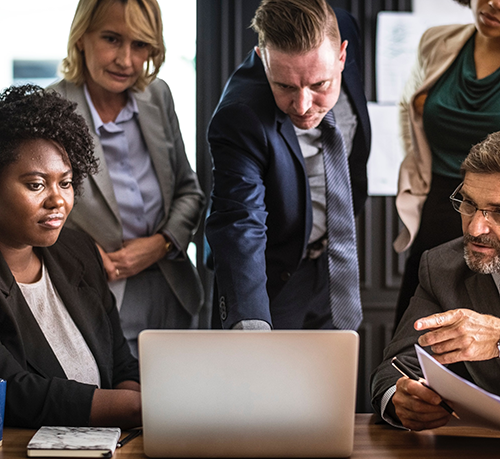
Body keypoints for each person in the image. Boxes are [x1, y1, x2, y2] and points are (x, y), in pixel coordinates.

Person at [49, 0, 205, 356]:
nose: (127, 60)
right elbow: (30, 214)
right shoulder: (52, 107)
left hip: (174, 292)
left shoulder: (158, 94)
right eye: (111, 39)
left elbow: (188, 190)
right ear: (82, 37)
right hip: (95, 295)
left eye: (140, 44)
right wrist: (87, 254)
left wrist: (161, 243)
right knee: (123, 407)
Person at [205, 0, 371, 330]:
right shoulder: (240, 115)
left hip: (334, 264)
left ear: (342, 56)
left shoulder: (344, 27)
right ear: (262, 58)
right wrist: (250, 323)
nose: (303, 106)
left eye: (320, 85)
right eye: (285, 86)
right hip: (271, 279)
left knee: (332, 378)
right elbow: (240, 222)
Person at [0, 84, 141, 429]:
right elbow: (17, 393)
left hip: (111, 453)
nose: (57, 200)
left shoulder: (77, 251)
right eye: (36, 185)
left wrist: (135, 413)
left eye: (65, 183)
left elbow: (121, 363)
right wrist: (133, 409)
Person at [372, 131, 500, 431]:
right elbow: (396, 366)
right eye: (468, 203)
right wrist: (400, 399)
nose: (476, 227)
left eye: (498, 212)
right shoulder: (442, 266)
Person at [393, 0, 500, 329]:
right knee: (415, 331)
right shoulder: (437, 41)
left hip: (498, 210)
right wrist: (421, 174)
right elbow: (408, 109)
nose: (493, 2)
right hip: (441, 203)